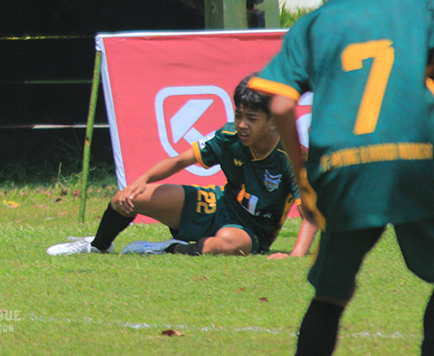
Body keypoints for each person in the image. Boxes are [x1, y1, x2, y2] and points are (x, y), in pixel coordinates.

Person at [248, 0, 434, 356]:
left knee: (330, 296)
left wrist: (302, 170)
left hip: (344, 165)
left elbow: (281, 104)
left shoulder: (315, 24)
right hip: (418, 161)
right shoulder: (424, 11)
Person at [47, 76, 317, 257]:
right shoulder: (228, 136)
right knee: (128, 198)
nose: (242, 124)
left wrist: (295, 256)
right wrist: (140, 181)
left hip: (253, 231)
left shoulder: (292, 156)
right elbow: (179, 161)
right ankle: (97, 247)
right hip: (219, 204)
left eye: (251, 118)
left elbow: (311, 214)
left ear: (273, 121)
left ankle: (170, 249)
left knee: (226, 244)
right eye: (238, 115)